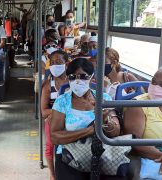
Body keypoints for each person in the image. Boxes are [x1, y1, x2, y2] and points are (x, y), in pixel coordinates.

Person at [50, 58, 122, 179]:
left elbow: (116, 132)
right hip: (70, 156)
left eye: (83, 76)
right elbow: (55, 137)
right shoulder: (62, 101)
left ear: (91, 77)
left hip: (102, 154)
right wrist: (91, 130)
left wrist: (105, 120)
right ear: (68, 78)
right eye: (73, 77)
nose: (78, 81)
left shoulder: (104, 99)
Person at [41, 50, 69, 180]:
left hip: (71, 119)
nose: (55, 65)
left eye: (58, 62)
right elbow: (44, 111)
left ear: (66, 64)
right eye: (52, 63)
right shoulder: (48, 85)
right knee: (50, 146)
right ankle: (52, 175)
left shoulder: (73, 83)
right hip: (52, 120)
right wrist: (60, 111)